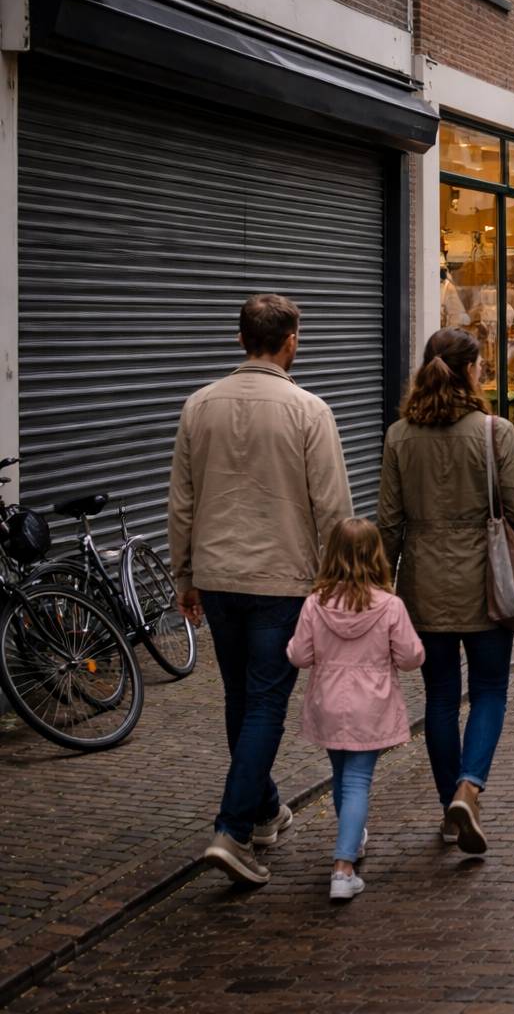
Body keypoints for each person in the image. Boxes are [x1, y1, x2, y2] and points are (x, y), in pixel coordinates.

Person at [170, 294, 352, 887]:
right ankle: (231, 830)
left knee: (240, 698)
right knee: (266, 703)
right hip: (282, 580)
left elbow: (182, 501)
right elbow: (332, 505)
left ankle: (266, 808)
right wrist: (342, 577)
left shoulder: (197, 407)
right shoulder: (309, 410)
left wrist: (184, 576)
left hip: (218, 578)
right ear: (290, 340)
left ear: (240, 337)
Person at [378, 328, 514, 855]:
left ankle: (450, 805)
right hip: (488, 585)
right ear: (472, 370)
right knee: (490, 690)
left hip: (423, 588)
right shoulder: (494, 431)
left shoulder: (400, 435)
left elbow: (388, 524)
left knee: (442, 700)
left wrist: (381, 585)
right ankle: (469, 787)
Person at [285, 518, 424, 901]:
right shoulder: (391, 606)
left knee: (341, 776)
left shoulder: (315, 603)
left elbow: (299, 655)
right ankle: (343, 868)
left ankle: (353, 841)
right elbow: (412, 656)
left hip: (328, 701)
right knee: (358, 781)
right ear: (376, 555)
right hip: (372, 704)